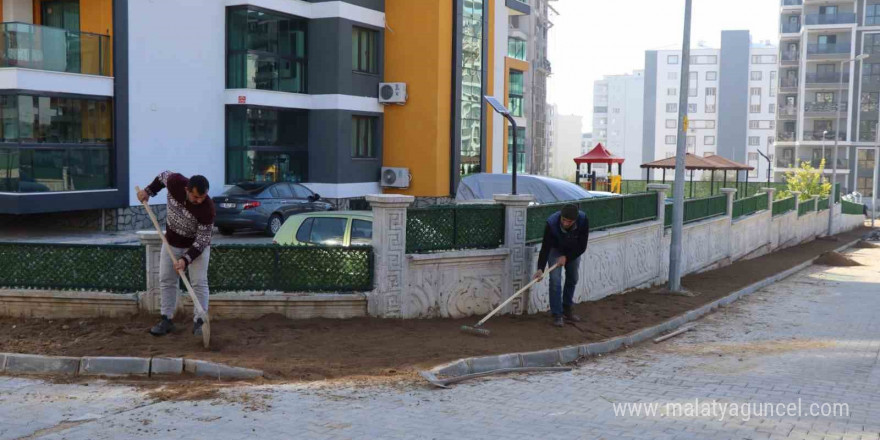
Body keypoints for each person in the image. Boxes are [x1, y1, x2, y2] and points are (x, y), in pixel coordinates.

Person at [137, 171, 215, 337]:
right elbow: (161, 176)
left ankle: (200, 322)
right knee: (166, 279)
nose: (199, 201)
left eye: (203, 197)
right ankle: (166, 319)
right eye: (195, 197)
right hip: (172, 242)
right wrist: (148, 192)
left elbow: (202, 241)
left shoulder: (207, 209)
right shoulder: (175, 182)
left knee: (199, 282)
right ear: (187, 189)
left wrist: (185, 260)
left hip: (196, 247)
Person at [533, 203, 589, 327]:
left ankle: (567, 308)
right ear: (561, 216)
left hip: (573, 250)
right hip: (555, 249)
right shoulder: (551, 223)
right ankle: (557, 314)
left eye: (569, 222)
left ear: (575, 220)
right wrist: (540, 268)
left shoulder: (583, 220)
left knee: (573, 277)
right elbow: (545, 247)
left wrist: (567, 257)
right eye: (563, 220)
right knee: (555, 280)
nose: (565, 223)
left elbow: (582, 246)